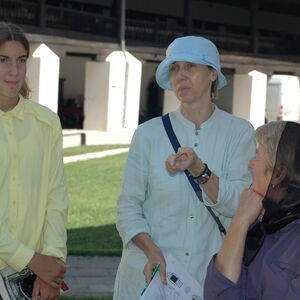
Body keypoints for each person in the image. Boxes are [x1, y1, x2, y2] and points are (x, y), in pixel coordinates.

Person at [113, 36, 255, 299]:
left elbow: (242, 205)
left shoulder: (239, 133)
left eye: (191, 67)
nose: (180, 76)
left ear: (213, 74)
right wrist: (152, 251)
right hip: (149, 275)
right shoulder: (148, 134)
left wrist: (200, 170)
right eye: (175, 68)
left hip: (205, 278)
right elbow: (127, 207)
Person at [0, 23, 68, 299]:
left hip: (33, 279)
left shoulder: (46, 122)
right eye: (2, 59)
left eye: (21, 60)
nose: (14, 71)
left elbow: (56, 195)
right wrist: (30, 259)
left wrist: (51, 264)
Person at [204, 121, 300, 299]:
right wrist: (240, 220)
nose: (250, 164)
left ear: (278, 173)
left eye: (257, 156)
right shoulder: (260, 221)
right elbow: (216, 291)